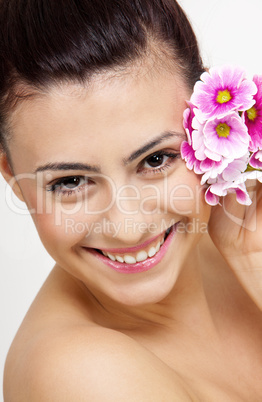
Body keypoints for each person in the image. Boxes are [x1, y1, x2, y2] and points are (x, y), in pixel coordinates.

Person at [1, 0, 262, 400]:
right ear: (12, 177)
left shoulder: (241, 233)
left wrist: (253, 258)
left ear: (210, 120)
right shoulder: (79, 377)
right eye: (70, 181)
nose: (129, 226)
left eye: (155, 160)